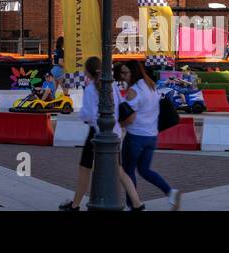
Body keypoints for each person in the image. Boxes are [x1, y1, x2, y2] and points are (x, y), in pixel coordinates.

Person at [58, 57, 144, 211]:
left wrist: (84, 117)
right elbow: (120, 104)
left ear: (88, 72)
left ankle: (75, 204)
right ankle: (137, 204)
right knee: (118, 169)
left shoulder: (91, 89)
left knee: (84, 169)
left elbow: (88, 115)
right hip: (114, 131)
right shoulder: (112, 85)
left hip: (96, 133)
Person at [120, 60, 182, 210]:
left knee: (128, 172)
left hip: (135, 137)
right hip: (151, 137)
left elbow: (129, 117)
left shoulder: (134, 91)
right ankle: (170, 192)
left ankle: (133, 205)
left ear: (133, 73)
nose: (122, 76)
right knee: (144, 170)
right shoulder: (151, 86)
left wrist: (119, 124)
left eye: (125, 73)